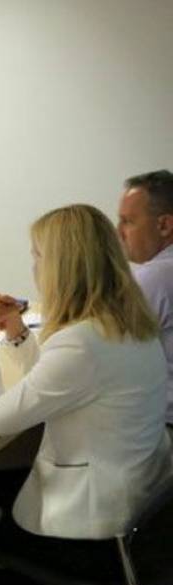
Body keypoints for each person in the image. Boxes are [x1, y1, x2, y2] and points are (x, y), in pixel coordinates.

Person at [0, 204, 171, 580]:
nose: (33, 267)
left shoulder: (82, 343)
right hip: (135, 506)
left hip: (91, 529)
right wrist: (16, 331)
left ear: (63, 266)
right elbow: (59, 384)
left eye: (37, 256)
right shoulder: (126, 321)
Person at [117, 170, 173, 430]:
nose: (119, 232)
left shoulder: (155, 277)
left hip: (163, 428)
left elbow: (102, 346)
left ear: (164, 225)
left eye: (127, 222)